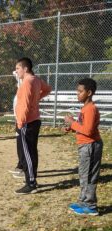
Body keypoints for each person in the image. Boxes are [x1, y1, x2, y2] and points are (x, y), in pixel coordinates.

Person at [64, 78, 103, 216]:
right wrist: (71, 127)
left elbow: (88, 131)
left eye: (80, 91)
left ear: (89, 92)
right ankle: (83, 201)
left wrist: (72, 122)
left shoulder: (91, 109)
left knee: (89, 176)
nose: (77, 93)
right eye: (77, 91)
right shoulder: (85, 108)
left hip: (90, 146)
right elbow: (83, 128)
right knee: (83, 174)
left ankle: (91, 206)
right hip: (85, 145)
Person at [13, 57, 52, 194]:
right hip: (34, 120)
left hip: (27, 122)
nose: (16, 71)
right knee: (31, 151)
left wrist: (20, 122)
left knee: (27, 152)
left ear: (25, 68)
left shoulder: (27, 83)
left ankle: (31, 183)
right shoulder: (36, 80)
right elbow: (48, 89)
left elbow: (24, 105)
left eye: (18, 68)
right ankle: (30, 178)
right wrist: (37, 99)